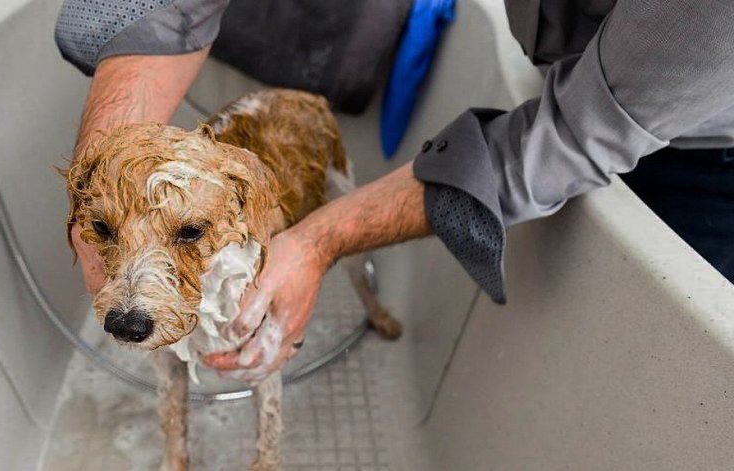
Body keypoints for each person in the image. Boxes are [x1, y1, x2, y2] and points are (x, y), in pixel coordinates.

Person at [56, 0, 734, 382]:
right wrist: (106, 172)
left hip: (703, 147)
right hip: (584, 58)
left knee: (683, 367)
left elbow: (569, 141)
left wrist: (319, 238)